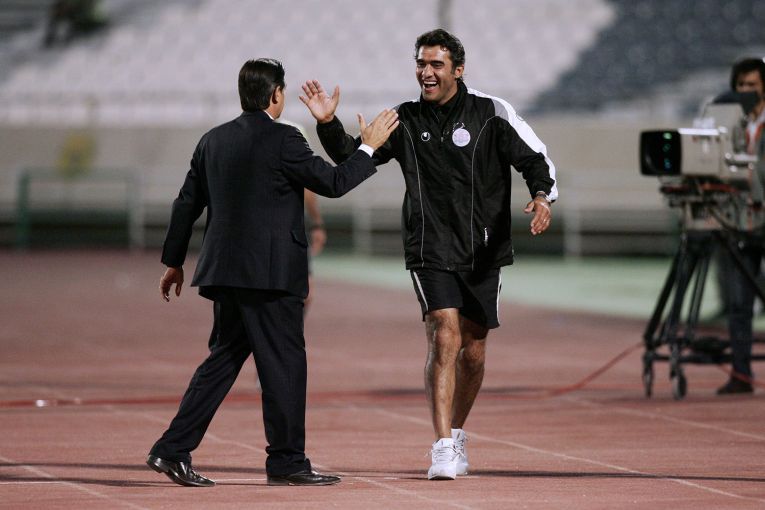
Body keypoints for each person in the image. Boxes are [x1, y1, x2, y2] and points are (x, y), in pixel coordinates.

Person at [300, 29, 557, 479]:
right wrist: (327, 123)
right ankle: (442, 447)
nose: (426, 72)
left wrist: (541, 197)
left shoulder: (492, 113)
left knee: (473, 351)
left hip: (484, 249)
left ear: (458, 69)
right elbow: (353, 156)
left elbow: (536, 159)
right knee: (444, 334)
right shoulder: (402, 119)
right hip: (429, 246)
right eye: (421, 63)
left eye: (436, 64)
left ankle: (456, 432)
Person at [146, 58, 398, 487]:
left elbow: (186, 203)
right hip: (271, 276)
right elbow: (334, 183)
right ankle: (287, 461)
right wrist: (368, 147)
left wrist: (174, 261)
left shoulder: (213, 140)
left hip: (224, 272)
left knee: (223, 360)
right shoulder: (285, 139)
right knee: (284, 366)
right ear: (276, 94)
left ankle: (171, 450)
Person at [716, 57, 765, 395]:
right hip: (741, 221)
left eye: (752, 85)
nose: (745, 91)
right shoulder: (729, 123)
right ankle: (741, 373)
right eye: (741, 85)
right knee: (738, 303)